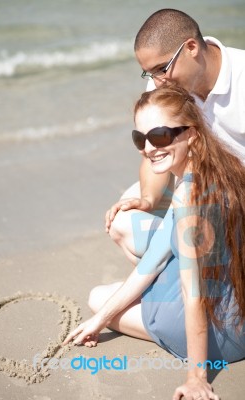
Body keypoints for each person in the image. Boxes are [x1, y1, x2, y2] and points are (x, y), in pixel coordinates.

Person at [63, 85, 245, 400]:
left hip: (218, 340)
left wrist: (196, 377)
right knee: (147, 274)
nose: (149, 148)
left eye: (160, 136)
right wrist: (100, 321)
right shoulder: (228, 168)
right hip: (240, 320)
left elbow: (193, 296)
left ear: (192, 134)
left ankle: (170, 330)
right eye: (140, 138)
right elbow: (155, 258)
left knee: (97, 297)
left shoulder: (188, 195)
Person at [105, 8, 245, 266]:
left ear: (191, 47)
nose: (157, 82)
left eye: (161, 68)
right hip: (197, 186)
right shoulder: (166, 84)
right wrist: (148, 198)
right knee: (122, 221)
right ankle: (184, 279)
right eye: (149, 73)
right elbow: (156, 151)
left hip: (235, 195)